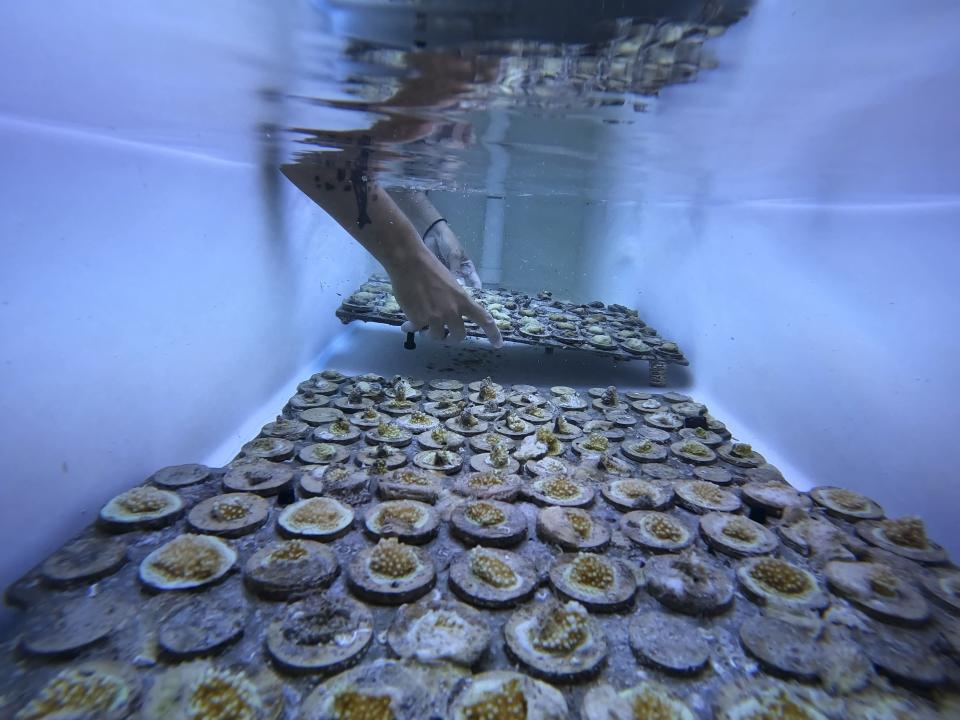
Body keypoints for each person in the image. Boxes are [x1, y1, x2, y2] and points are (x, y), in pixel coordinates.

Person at [281, 164, 502, 347]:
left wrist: (437, 229)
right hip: (294, 281)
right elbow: (319, 157)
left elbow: (369, 169)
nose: (468, 139)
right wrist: (409, 259)